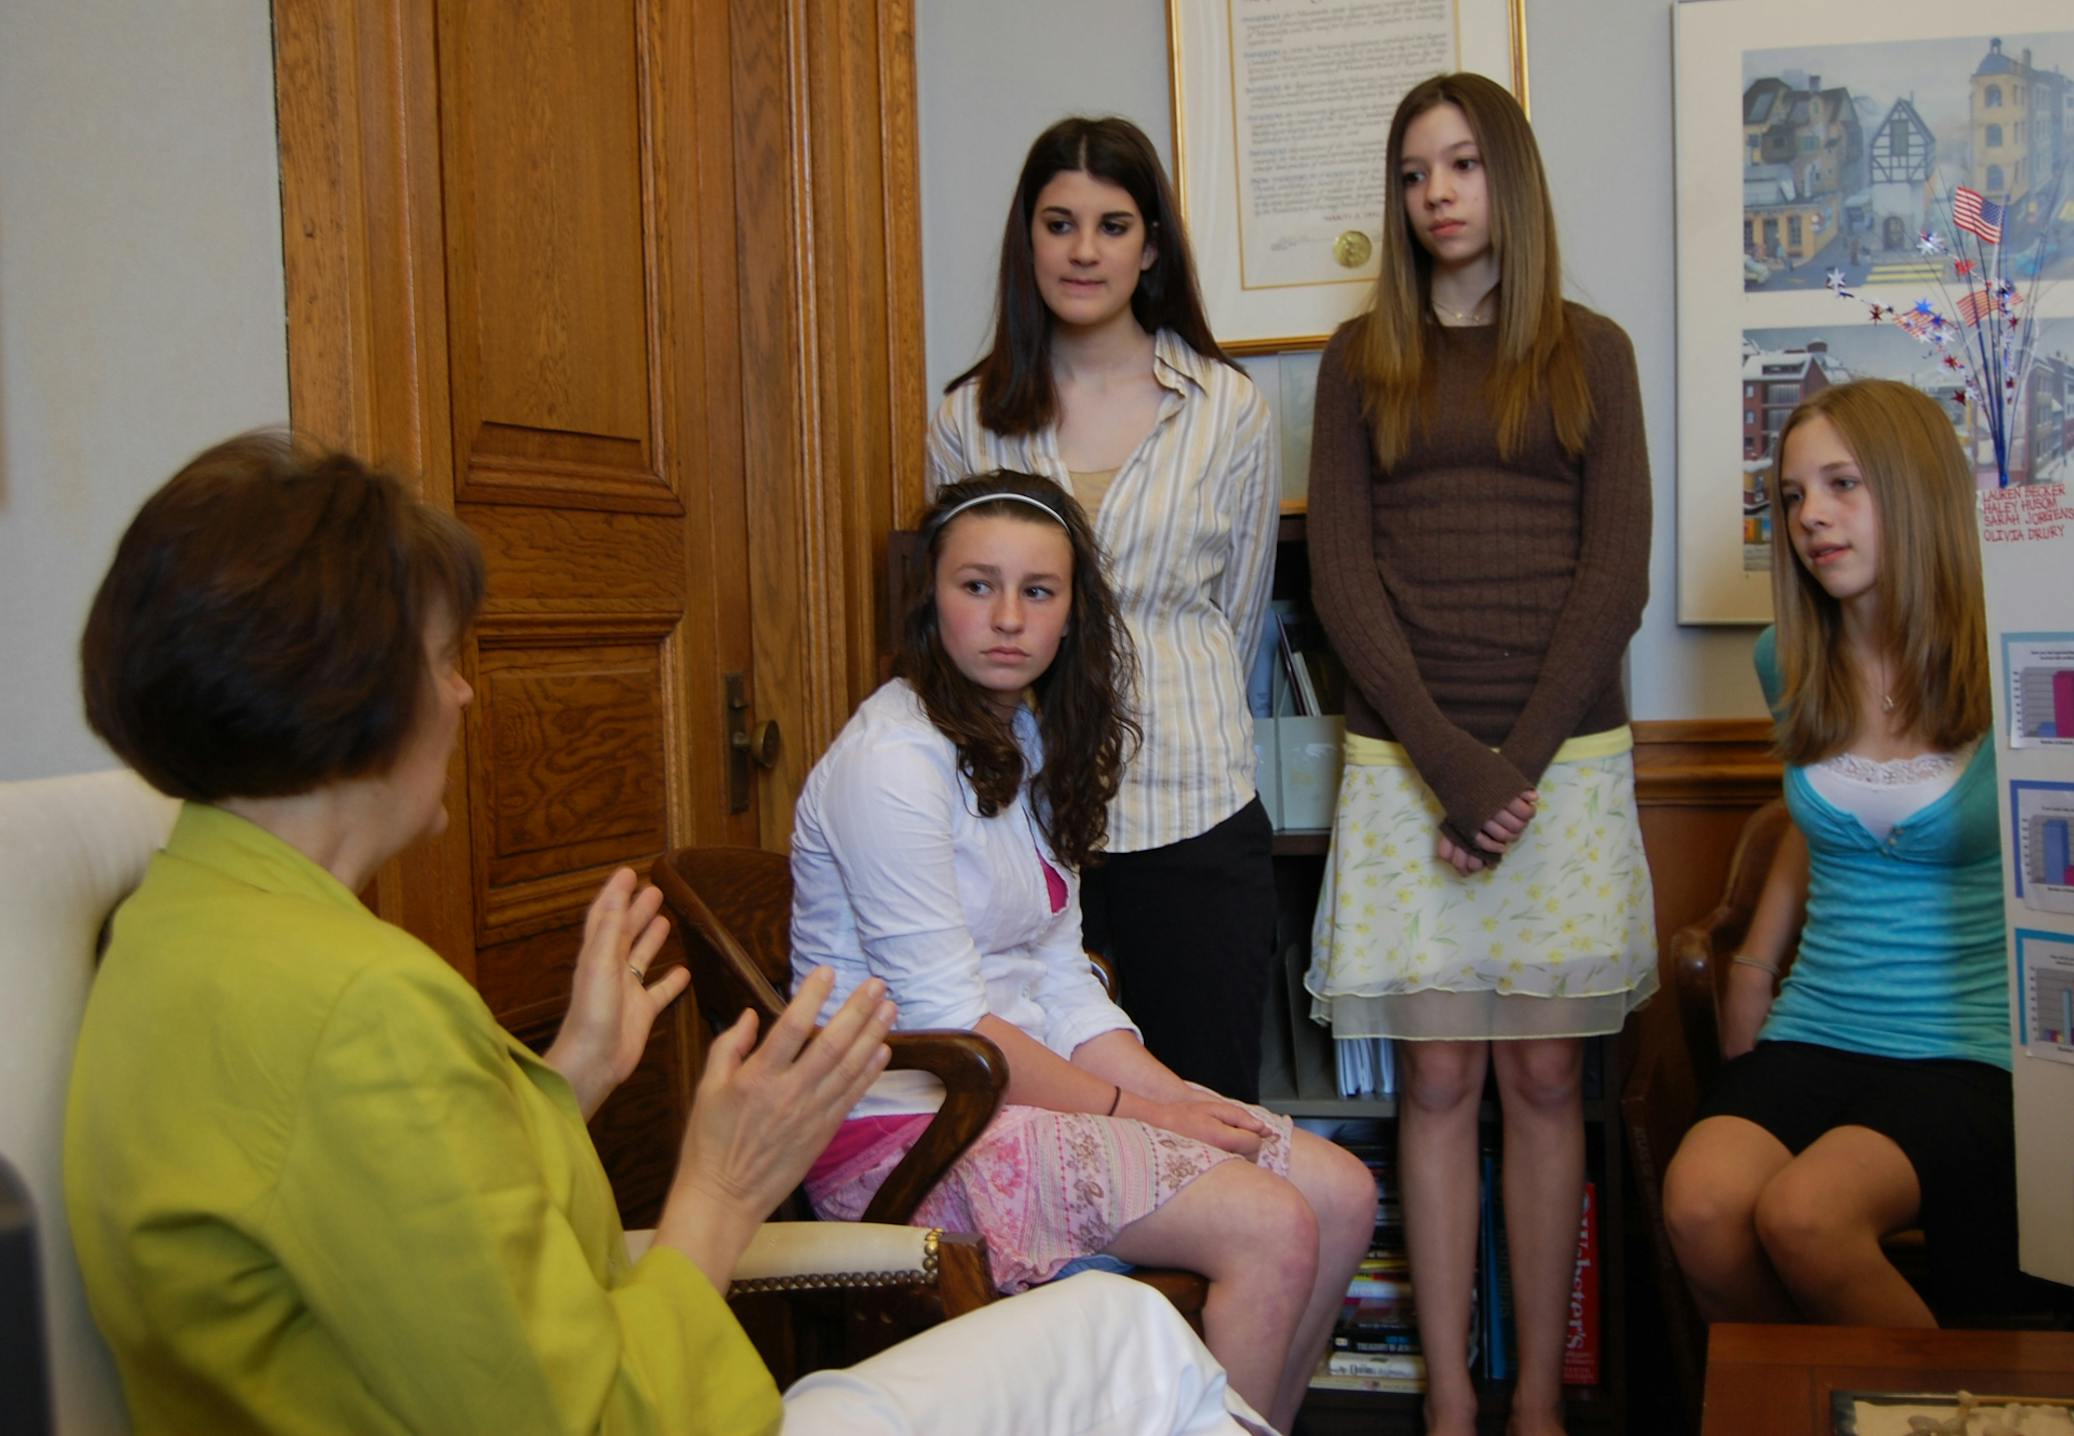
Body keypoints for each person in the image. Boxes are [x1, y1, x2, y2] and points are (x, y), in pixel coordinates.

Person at [64, 432, 1274, 1436]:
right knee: (1130, 1347)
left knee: (1113, 1327)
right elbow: (586, 1413)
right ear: (354, 696)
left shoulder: (182, 920)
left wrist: (566, 1078)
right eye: (443, 660)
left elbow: (414, 1215)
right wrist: (722, 1181)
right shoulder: (356, 1002)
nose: (464, 693)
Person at [790, 473, 1374, 1432]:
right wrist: (1146, 1114)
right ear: (931, 600)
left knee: (1342, 1194)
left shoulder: (1032, 739)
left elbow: (1061, 979)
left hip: (1022, 1088)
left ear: (1073, 612)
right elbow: (952, 1022)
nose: (1008, 617)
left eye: (1039, 590)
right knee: (1268, 1224)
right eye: (977, 586)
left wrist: (1178, 1100)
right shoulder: (891, 759)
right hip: (907, 1125)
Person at [1299, 72, 1656, 1436]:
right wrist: (1455, 764)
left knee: (1546, 1076)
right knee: (1439, 1078)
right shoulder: (1355, 363)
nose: (1435, 193)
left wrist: (1513, 766)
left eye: (1459, 164)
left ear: (1509, 177)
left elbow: (1612, 577)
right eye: (1412, 173)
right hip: (1410, 763)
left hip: (1562, 759)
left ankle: (1535, 1399)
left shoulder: (1593, 353)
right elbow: (1339, 579)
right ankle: (1449, 1394)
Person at [1663, 379, 2032, 1328]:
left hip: (1972, 1047)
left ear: (1913, 491)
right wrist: (1751, 973)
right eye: (1792, 496)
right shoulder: (1785, 659)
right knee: (1699, 1207)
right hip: (1820, 1024)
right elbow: (1820, 819)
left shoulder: (2019, 659)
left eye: (1842, 484)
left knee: (1806, 1216)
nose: (1811, 517)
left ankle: (1964, 1420)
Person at [926, 116, 1281, 1102]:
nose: (1085, 250)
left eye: (1114, 224)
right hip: (1023, 814)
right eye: (1060, 222)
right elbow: (957, 626)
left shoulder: (1228, 409)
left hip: (1193, 805)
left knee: (1206, 1107)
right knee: (1043, 1120)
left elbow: (1237, 613)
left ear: (1152, 245)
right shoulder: (968, 416)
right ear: (1026, 239)